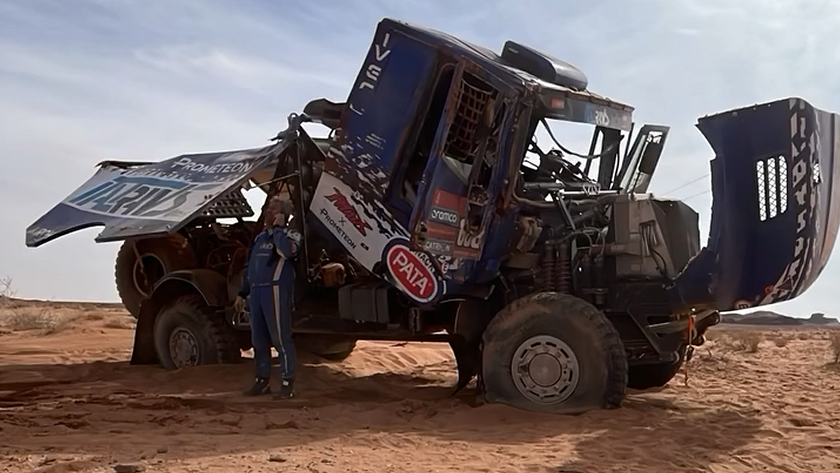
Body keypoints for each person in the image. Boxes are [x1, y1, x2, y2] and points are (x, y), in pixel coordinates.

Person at [235, 196, 301, 399]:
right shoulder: (260, 238)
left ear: (282, 213)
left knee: (281, 338)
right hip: (256, 291)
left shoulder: (291, 234)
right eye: (267, 208)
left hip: (275, 290)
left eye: (273, 208)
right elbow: (250, 267)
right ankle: (261, 380)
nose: (267, 212)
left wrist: (279, 229)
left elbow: (288, 253)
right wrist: (242, 292)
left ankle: (287, 382)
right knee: (259, 340)